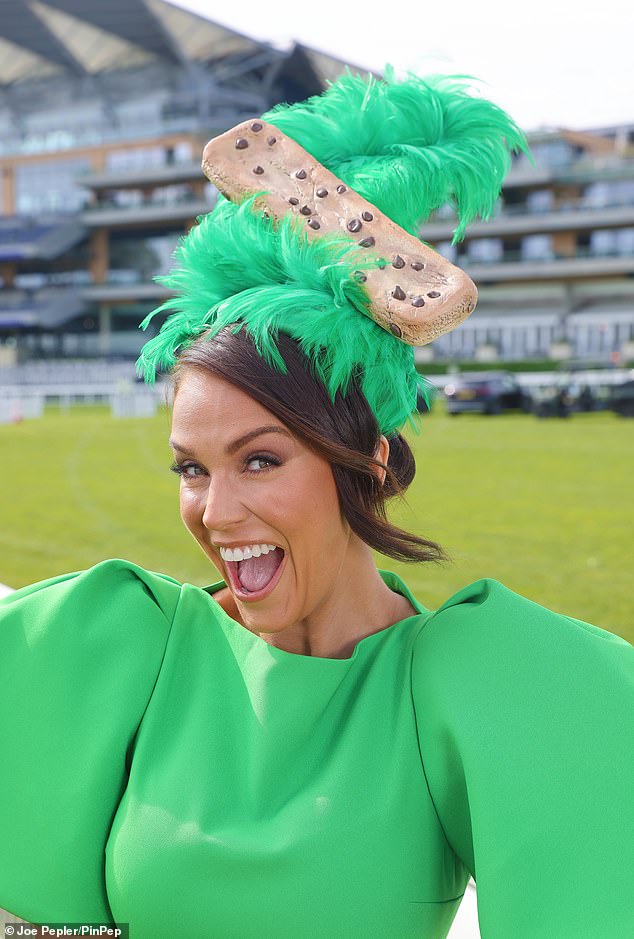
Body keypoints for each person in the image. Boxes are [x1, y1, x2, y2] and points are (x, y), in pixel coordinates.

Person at [1, 73, 632, 939]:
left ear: (367, 465)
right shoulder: (127, 645)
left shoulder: (456, 683)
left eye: (260, 460)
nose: (214, 511)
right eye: (191, 467)